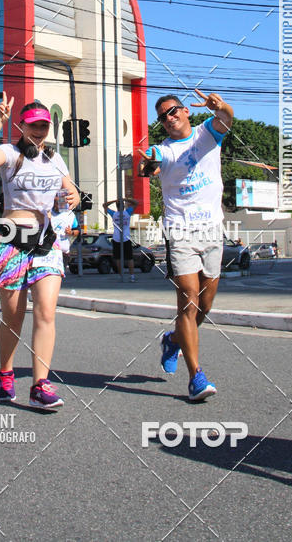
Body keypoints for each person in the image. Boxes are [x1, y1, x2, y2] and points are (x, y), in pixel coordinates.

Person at [0, 93, 80, 410]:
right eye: (33, 125)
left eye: (44, 126)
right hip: (12, 238)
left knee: (46, 312)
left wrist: (72, 195)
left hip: (46, 240)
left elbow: (69, 188)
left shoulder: (54, 158)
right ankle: (6, 373)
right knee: (13, 317)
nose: (39, 131)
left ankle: (40, 385)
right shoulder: (8, 153)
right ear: (22, 126)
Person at [139, 89, 234, 402]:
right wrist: (146, 162)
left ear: (186, 112)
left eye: (173, 111)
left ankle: (173, 340)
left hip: (211, 230)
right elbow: (152, 160)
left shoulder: (206, 134)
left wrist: (222, 107)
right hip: (179, 232)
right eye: (163, 116)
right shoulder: (163, 149)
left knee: (205, 306)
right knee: (189, 300)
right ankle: (196, 377)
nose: (169, 118)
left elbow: (226, 120)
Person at [103, 197, 137, 281]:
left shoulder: (114, 214)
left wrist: (114, 200)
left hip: (116, 238)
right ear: (123, 206)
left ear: (117, 206)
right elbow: (135, 203)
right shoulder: (127, 213)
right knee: (129, 258)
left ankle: (121, 275)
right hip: (126, 238)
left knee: (118, 258)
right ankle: (132, 276)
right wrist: (125, 199)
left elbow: (104, 205)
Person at [50, 191, 80, 272]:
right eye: (57, 202)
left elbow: (77, 231)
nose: (59, 205)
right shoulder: (48, 213)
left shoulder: (70, 215)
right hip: (49, 251)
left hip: (64, 253)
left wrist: (71, 232)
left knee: (59, 276)